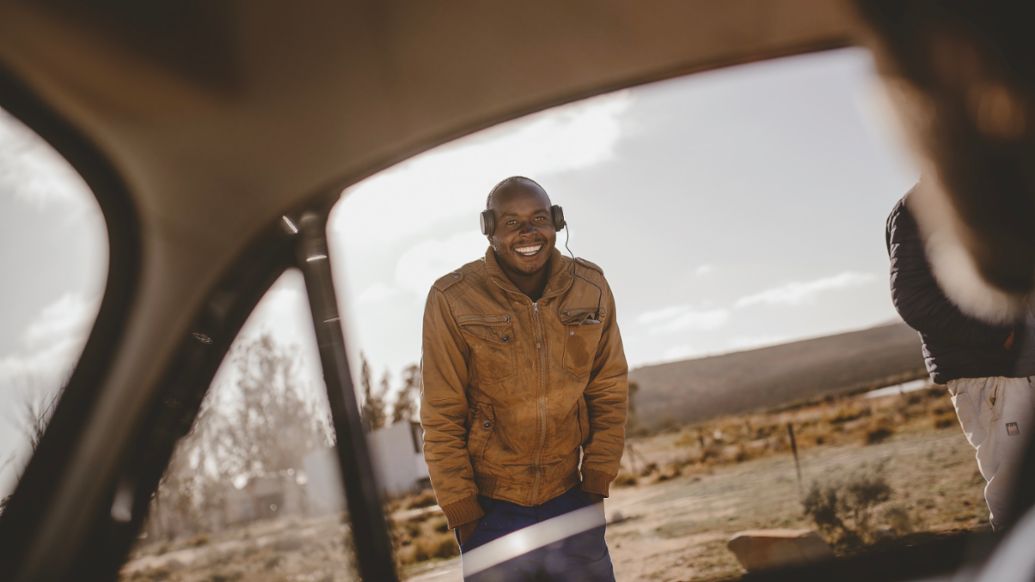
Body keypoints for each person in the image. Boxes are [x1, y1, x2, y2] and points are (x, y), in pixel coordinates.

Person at [420, 176, 628, 580]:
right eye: (512, 222)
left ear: (557, 222)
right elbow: (441, 413)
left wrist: (596, 486)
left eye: (538, 219)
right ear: (490, 229)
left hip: (571, 499)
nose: (528, 233)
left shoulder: (591, 288)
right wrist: (464, 513)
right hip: (492, 512)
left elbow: (609, 391)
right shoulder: (452, 298)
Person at [887, 187, 1035, 531]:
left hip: (1022, 367)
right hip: (992, 375)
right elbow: (912, 298)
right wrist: (999, 335)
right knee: (1018, 499)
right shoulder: (919, 206)